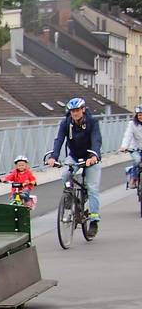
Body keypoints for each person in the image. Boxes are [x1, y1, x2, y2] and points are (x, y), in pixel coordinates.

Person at [45, 97, 102, 227]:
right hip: (75, 156)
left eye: (77, 110)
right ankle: (69, 197)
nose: (75, 113)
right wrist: (53, 156)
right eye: (72, 111)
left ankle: (94, 221)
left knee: (92, 188)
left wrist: (94, 156)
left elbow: (96, 139)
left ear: (83, 110)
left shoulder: (92, 122)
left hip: (90, 157)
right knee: (65, 174)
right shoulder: (66, 123)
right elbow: (59, 139)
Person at [119, 104, 142, 188]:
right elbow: (127, 135)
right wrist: (124, 146)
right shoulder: (132, 124)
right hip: (135, 148)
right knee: (138, 160)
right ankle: (133, 178)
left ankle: (131, 170)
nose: (140, 117)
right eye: (139, 115)